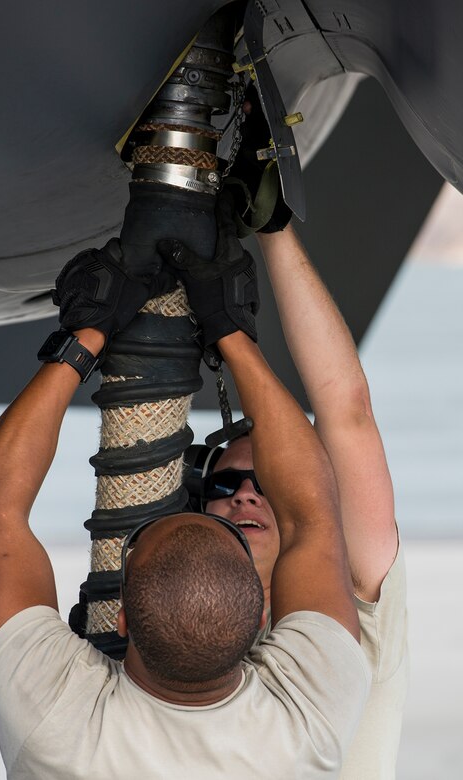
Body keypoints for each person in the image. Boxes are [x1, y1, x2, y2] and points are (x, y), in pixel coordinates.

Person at [0, 205, 370, 779]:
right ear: (261, 622)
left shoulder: (315, 716)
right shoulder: (52, 728)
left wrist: (89, 337)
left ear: (120, 620)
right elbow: (314, 517)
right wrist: (226, 332)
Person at [194, 222, 408, 780]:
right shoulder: (176, 638)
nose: (243, 494)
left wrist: (274, 229)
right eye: (224, 485)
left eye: (268, 485)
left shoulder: (353, 613)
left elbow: (348, 412)